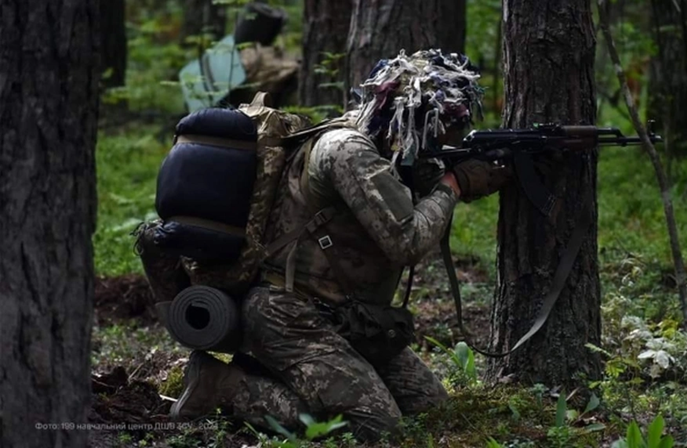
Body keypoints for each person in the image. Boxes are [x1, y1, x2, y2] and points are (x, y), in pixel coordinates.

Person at [145, 49, 510, 442]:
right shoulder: (347, 151)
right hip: (289, 315)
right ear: (413, 117)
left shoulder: (388, 146)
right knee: (376, 428)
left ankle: (298, 381)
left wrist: (492, 168)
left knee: (433, 411)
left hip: (348, 319)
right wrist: (452, 186)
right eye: (441, 129)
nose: (442, 141)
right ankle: (224, 384)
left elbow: (423, 182)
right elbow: (409, 241)